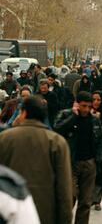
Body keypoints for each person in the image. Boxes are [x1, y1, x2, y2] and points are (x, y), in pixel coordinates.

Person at [0, 96, 73, 224]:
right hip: (46, 215)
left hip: (11, 213)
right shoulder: (57, 142)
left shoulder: (5, 138)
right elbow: (64, 189)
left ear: (24, 112)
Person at [54, 91, 102, 224]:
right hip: (70, 163)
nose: (86, 109)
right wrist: (73, 117)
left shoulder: (94, 119)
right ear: (77, 104)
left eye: (89, 106)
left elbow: (100, 139)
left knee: (85, 202)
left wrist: (97, 159)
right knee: (68, 198)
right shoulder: (65, 115)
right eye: (83, 106)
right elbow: (57, 130)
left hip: (89, 163)